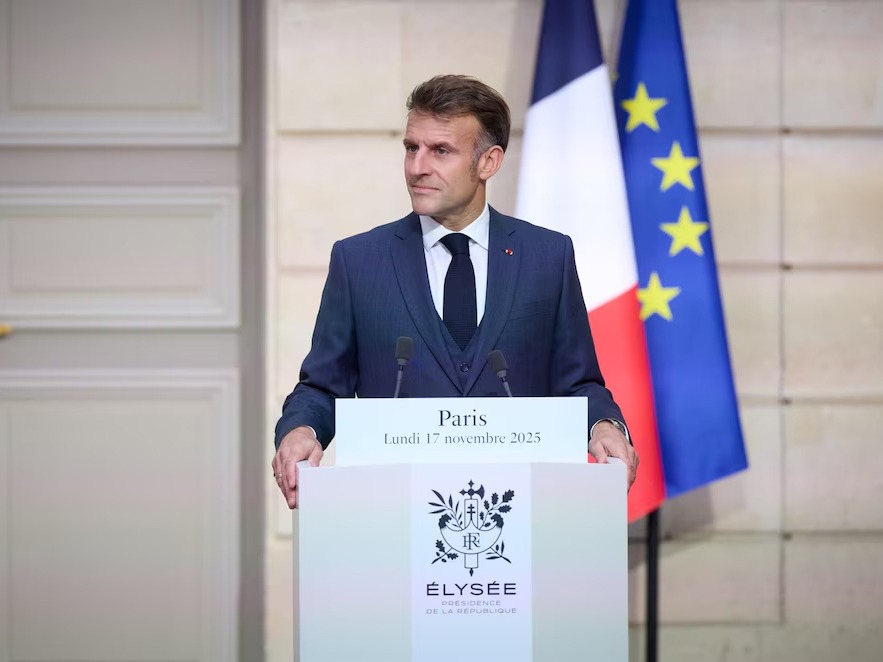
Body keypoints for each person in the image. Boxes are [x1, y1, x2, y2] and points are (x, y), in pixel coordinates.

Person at [272, 74, 638, 508]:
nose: (417, 167)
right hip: (393, 513)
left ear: (488, 162)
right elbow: (322, 387)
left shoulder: (547, 257)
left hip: (521, 513)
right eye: (412, 148)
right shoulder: (359, 261)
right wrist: (301, 429)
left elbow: (578, 383)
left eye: (441, 151)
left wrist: (604, 425)